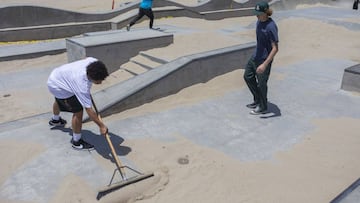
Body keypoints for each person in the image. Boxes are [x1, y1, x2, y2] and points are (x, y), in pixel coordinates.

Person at [47, 57, 109, 150]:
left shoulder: (93, 61)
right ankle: (76, 141)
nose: (100, 82)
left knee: (59, 100)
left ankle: (55, 120)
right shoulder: (82, 86)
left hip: (57, 75)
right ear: (91, 77)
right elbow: (89, 110)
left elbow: (85, 58)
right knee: (78, 111)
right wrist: (101, 126)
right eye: (99, 81)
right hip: (58, 86)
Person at [243, 1, 279, 115]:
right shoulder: (258, 22)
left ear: (265, 12)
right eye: (256, 13)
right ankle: (258, 99)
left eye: (259, 13)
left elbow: (275, 48)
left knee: (262, 84)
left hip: (264, 60)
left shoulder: (271, 27)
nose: (256, 15)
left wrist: (265, 64)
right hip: (255, 56)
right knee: (247, 76)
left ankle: (263, 107)